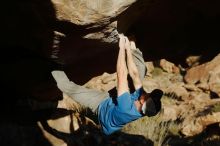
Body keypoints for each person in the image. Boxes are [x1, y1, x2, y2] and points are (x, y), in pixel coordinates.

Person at [51, 34, 163, 135]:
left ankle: (53, 66)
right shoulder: (142, 103)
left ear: (143, 100)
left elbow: (121, 74)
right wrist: (129, 48)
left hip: (100, 107)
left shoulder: (126, 109)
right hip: (114, 101)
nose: (146, 92)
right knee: (141, 70)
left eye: (148, 94)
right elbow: (134, 75)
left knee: (70, 89)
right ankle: (132, 42)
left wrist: (121, 48)